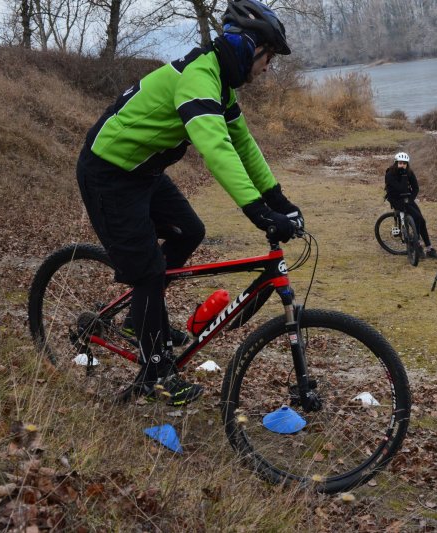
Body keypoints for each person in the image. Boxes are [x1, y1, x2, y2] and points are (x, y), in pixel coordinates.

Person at [76, 0, 303, 406]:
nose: (269, 67)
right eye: (269, 57)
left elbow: (243, 144)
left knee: (190, 232)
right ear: (251, 47)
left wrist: (279, 200)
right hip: (108, 172)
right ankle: (155, 374)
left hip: (141, 172)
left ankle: (137, 322)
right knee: (147, 271)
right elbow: (216, 148)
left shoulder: (219, 82)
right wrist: (257, 212)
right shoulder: (198, 77)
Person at [384, 152, 437, 259]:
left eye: (405, 164)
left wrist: (410, 200)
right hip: (396, 199)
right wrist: (404, 175)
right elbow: (400, 188)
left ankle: (429, 249)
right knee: (417, 218)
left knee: (422, 220)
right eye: (400, 163)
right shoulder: (390, 174)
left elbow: (416, 188)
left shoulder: (409, 172)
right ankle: (417, 244)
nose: (402, 165)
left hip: (407, 198)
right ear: (396, 163)